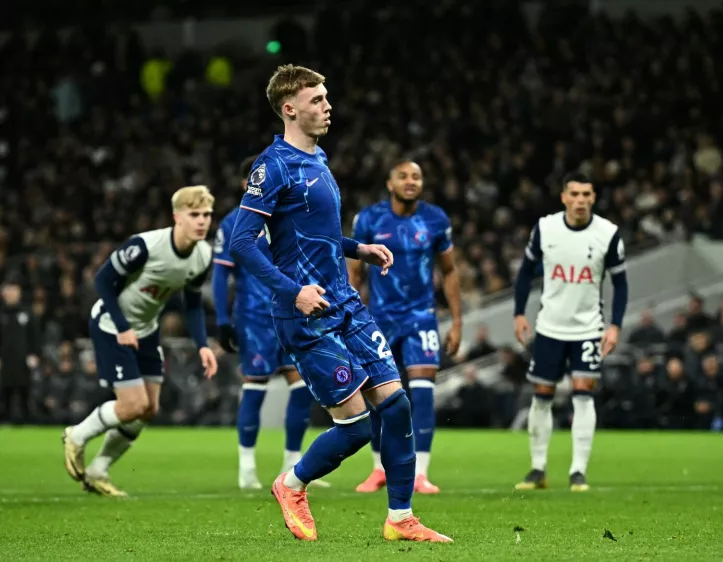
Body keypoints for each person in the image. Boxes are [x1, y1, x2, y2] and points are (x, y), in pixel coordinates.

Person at [228, 64, 450, 543]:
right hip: (306, 313)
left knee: (396, 406)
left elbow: (317, 234)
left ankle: (401, 518)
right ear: (290, 108)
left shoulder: (318, 158)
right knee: (355, 428)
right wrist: (294, 291)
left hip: (345, 301)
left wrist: (358, 249)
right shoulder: (273, 167)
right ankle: (291, 485)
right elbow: (242, 243)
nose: (328, 106)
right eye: (317, 100)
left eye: (326, 98)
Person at [63, 186, 219, 496]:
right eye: (194, 215)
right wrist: (122, 326)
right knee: (132, 405)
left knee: (148, 409)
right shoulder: (146, 246)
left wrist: (202, 344)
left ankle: (98, 469)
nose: (202, 221)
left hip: (146, 330)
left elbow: (191, 304)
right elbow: (103, 281)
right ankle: (76, 435)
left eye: (206, 215)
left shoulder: (203, 255)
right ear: (177, 217)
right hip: (111, 325)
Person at [213, 156, 329, 490]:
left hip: (293, 311)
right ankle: (246, 467)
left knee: (302, 387)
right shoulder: (233, 222)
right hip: (255, 317)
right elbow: (221, 274)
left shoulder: (288, 216)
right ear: (244, 184)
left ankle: (293, 464)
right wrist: (222, 320)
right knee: (255, 385)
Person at [349, 160, 462, 495]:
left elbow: (450, 271)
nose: (411, 181)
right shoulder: (368, 219)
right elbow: (354, 274)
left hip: (421, 317)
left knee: (423, 394)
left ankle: (420, 473)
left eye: (417, 176)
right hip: (379, 319)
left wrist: (456, 320)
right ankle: (378, 469)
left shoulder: (435, 219)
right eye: (403, 176)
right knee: (380, 395)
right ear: (390, 183)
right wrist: (351, 320)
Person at [511, 172, 629, 492]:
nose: (580, 200)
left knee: (583, 395)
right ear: (563, 197)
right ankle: (538, 469)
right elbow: (524, 273)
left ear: (594, 198)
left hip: (588, 329)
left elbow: (620, 283)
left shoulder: (608, 233)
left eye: (586, 194)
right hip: (550, 327)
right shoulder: (545, 228)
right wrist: (519, 313)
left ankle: (578, 471)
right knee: (542, 397)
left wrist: (615, 325)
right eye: (574, 194)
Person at [0, 278, 40, 424]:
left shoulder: (27, 312)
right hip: (5, 359)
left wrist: (35, 354)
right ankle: (5, 418)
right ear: (3, 293)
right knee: (5, 389)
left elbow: (35, 335)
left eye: (14, 290)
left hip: (23, 358)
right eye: (8, 290)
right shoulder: (1, 313)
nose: (11, 293)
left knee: (24, 388)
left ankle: (26, 417)